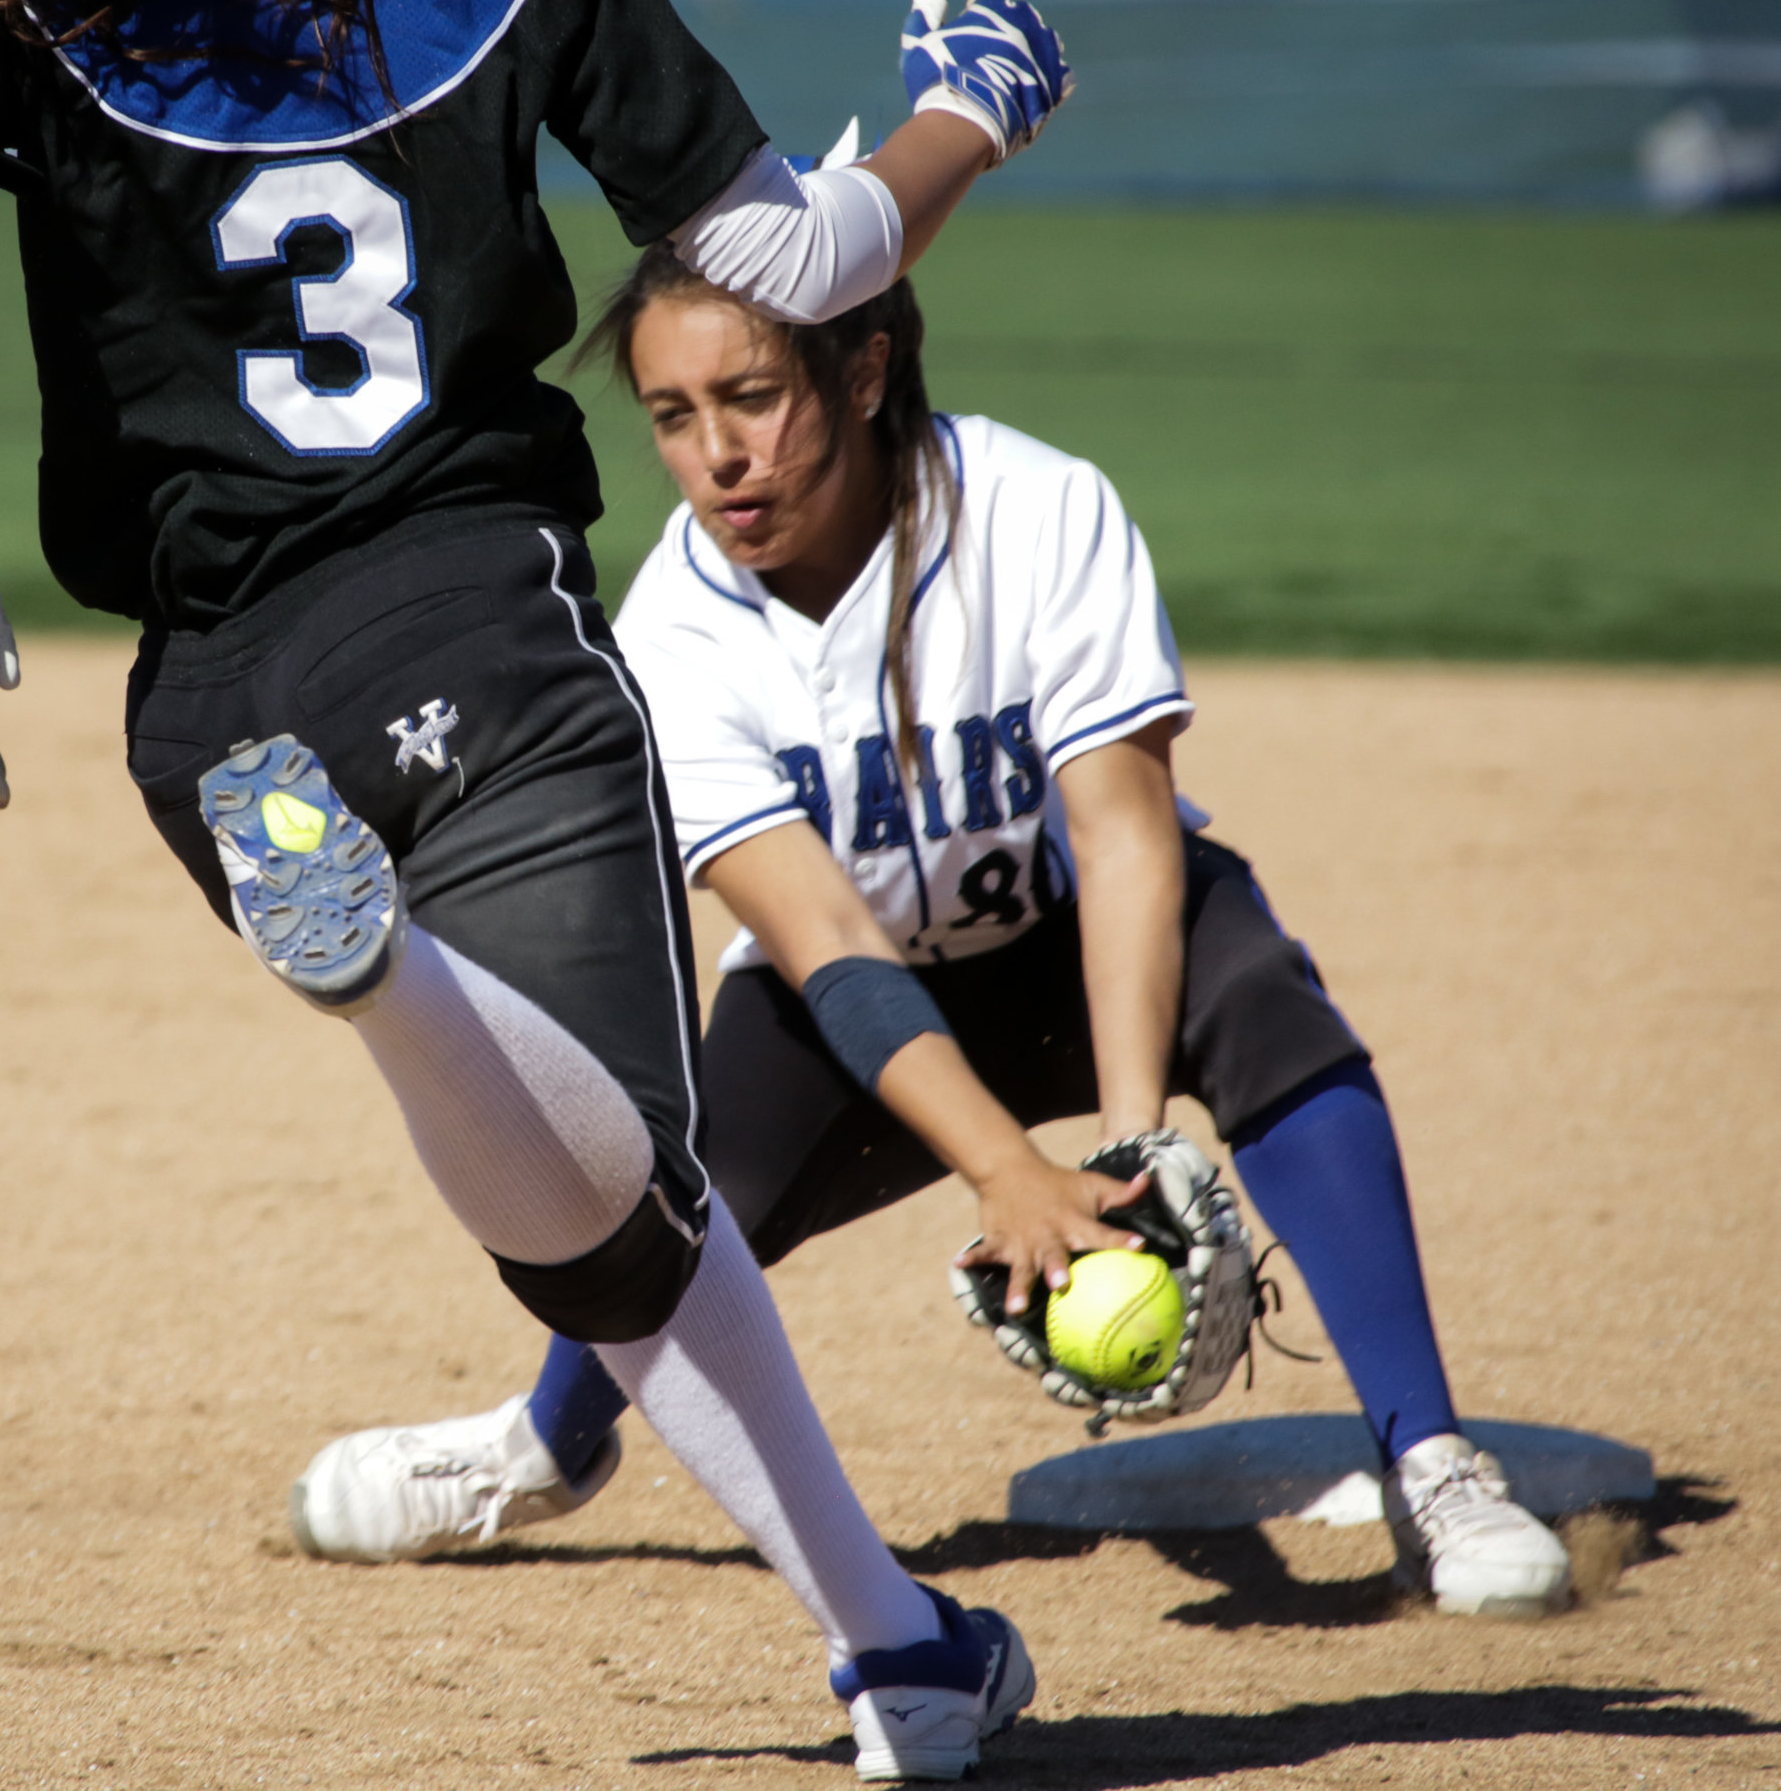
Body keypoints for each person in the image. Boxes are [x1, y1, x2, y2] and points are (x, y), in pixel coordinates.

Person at [0, 0, 1083, 1778]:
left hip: (212, 705)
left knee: (605, 1225)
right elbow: (792, 258)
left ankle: (903, 1651)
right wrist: (974, 108)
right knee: (634, 1208)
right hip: (478, 632)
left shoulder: (16, 2)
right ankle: (389, 969)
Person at [285, 247, 1577, 1623]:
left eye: (754, 394)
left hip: (1090, 945)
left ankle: (1433, 1464)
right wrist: (1006, 1172)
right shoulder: (667, 632)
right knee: (660, 1178)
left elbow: (1127, 834)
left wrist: (1130, 1145)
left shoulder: (1038, 509)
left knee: (1257, 990)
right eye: (673, 413)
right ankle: (544, 1446)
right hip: (855, 1001)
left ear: (864, 367)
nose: (719, 455)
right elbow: (829, 938)